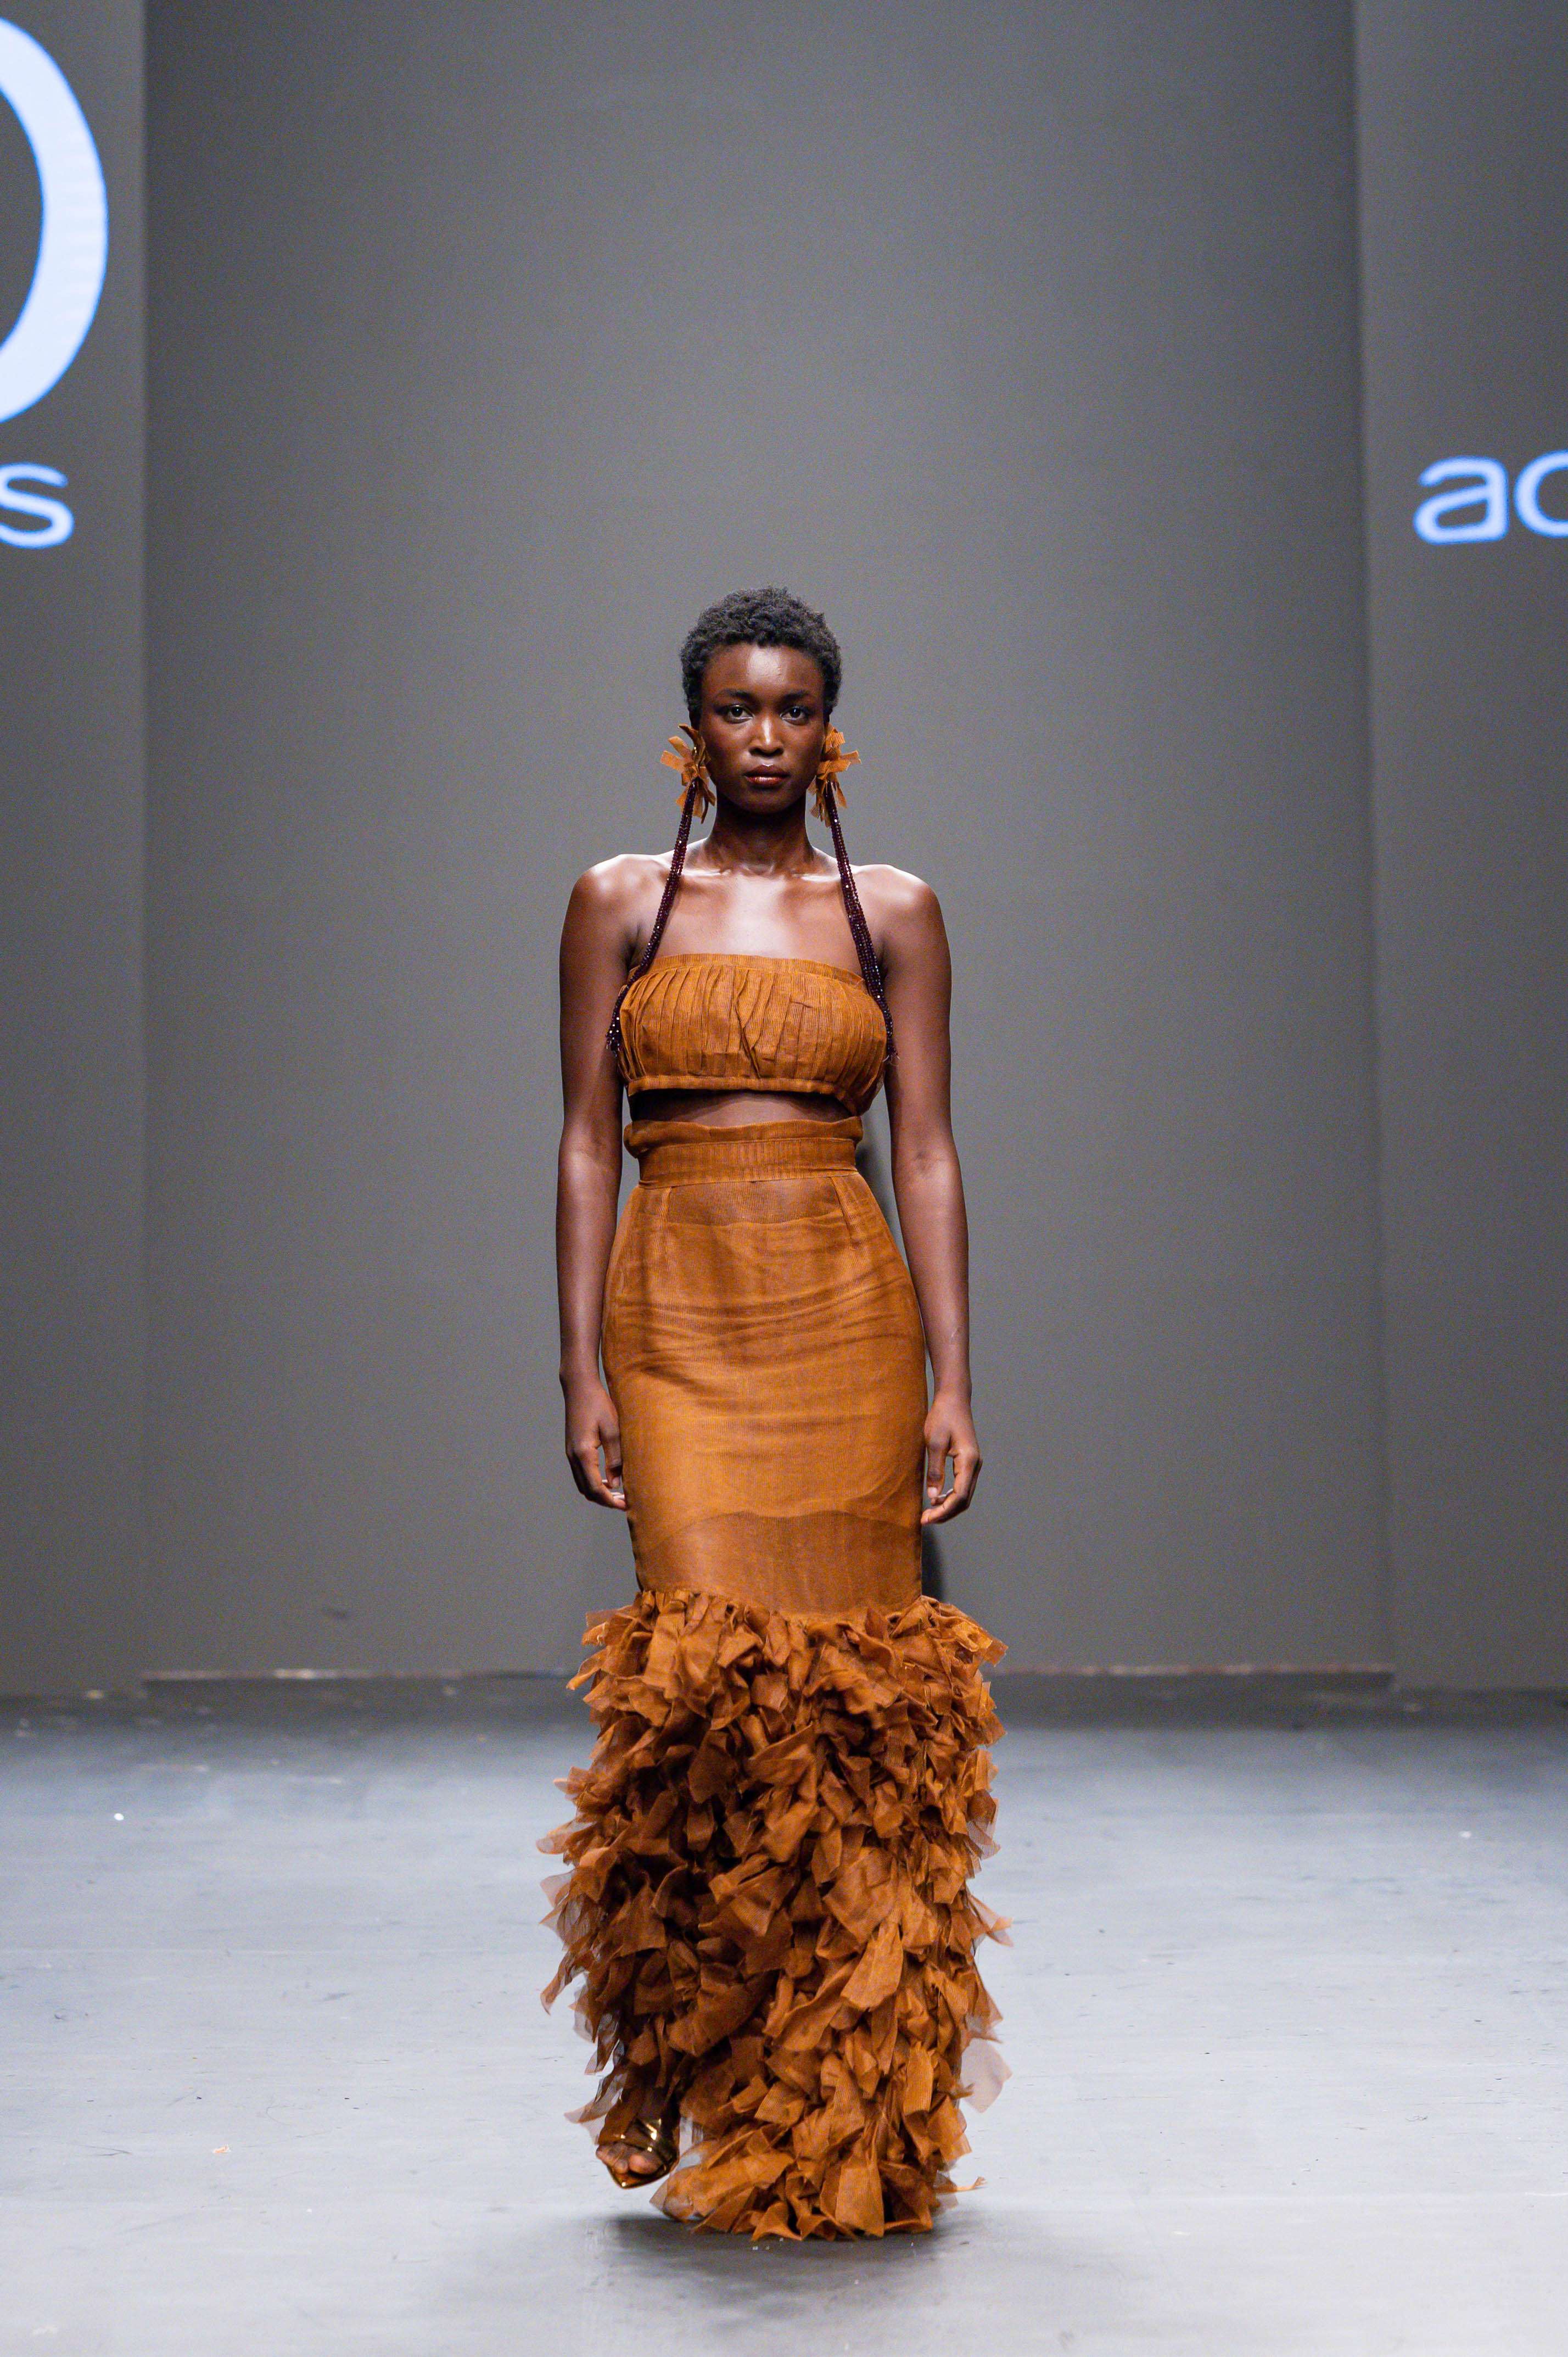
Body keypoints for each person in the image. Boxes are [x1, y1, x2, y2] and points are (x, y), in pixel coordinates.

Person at [541, 587, 1007, 2240]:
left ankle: (841, 2102)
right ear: (693, 726)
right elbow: (585, 1141)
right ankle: (705, 2064)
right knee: (704, 1697)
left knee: (855, 1711)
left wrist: (955, 1377)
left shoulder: (894, 913)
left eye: (792, 709)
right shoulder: (619, 901)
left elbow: (928, 1149)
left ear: (830, 731)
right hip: (676, 1313)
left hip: (843, 1306)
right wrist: (581, 1369)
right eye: (736, 708)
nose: (764, 736)